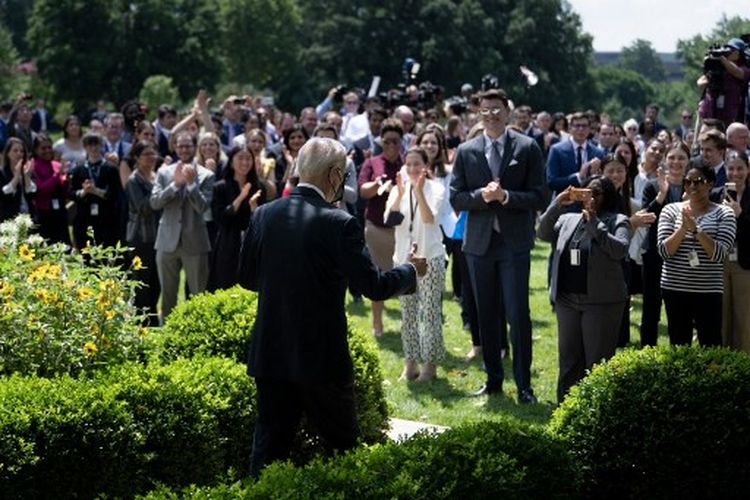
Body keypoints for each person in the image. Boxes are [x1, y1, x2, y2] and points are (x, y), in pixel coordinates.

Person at [239, 137, 425, 477]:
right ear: (336, 174)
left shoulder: (264, 214)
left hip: (272, 354)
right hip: (321, 359)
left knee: (267, 456)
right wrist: (411, 271)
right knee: (344, 456)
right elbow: (373, 286)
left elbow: (247, 279)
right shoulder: (339, 223)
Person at [449, 88, 545, 403]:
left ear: (507, 112)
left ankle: (524, 385)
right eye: (485, 110)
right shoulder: (466, 150)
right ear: (479, 114)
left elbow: (540, 196)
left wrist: (506, 197)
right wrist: (482, 197)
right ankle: (493, 380)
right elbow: (457, 197)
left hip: (513, 242)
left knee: (518, 313)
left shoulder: (527, 147)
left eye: (496, 109)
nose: (491, 115)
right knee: (486, 314)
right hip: (479, 243)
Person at [538, 177, 630, 403]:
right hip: (567, 300)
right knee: (569, 359)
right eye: (586, 192)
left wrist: (595, 224)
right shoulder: (568, 219)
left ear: (606, 196)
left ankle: (596, 412)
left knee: (596, 362)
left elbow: (620, 250)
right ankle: (565, 410)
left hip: (601, 302)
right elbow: (542, 232)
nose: (590, 197)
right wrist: (558, 203)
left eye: (596, 193)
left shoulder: (618, 220)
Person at [384, 147, 446, 381]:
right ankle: (410, 363)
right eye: (408, 164)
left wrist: (419, 191)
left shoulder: (436, 188)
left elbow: (430, 219)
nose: (411, 169)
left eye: (416, 164)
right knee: (408, 314)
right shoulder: (398, 189)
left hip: (430, 257)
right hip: (403, 260)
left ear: (425, 167)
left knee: (430, 313)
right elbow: (389, 220)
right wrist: (400, 194)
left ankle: (430, 365)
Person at [657, 163, 736, 346]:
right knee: (678, 345)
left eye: (698, 181)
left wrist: (696, 230)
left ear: (710, 184)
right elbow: (664, 252)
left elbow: (718, 254)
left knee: (710, 345)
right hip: (674, 288)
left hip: (708, 290)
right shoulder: (670, 210)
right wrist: (683, 229)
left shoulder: (724, 213)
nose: (692, 186)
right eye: (688, 182)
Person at [150, 131, 215, 320]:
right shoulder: (163, 172)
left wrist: (191, 186)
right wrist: (175, 186)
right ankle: (167, 335)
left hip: (195, 240)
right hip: (167, 241)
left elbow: (203, 207)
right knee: (168, 295)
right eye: (180, 146)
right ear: (175, 147)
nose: (184, 149)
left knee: (198, 294)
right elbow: (154, 203)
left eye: (188, 146)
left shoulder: (206, 175)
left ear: (194, 148)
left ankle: (197, 333)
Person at [358, 118, 405, 337]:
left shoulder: (407, 164)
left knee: (404, 275)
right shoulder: (372, 163)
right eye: (387, 142)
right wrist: (377, 184)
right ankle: (377, 322)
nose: (391, 146)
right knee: (378, 275)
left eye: (395, 141)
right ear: (381, 142)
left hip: (403, 229)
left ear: (401, 142)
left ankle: (408, 320)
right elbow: (363, 191)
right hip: (376, 228)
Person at [639, 141, 689, 346]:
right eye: (672, 157)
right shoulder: (652, 185)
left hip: (684, 255)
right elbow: (646, 217)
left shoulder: (694, 186)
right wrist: (661, 196)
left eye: (681, 158)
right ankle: (647, 354)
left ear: (688, 161)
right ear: (665, 160)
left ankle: (680, 352)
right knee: (651, 308)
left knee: (680, 309)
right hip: (654, 254)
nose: (676, 162)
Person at [208, 147, 265, 291]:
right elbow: (221, 219)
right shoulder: (220, 187)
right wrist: (240, 198)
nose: (245, 162)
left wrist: (253, 208)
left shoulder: (258, 187)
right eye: (240, 158)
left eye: (248, 158)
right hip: (228, 242)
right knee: (225, 284)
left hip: (251, 242)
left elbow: (262, 221)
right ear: (232, 163)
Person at [714, 150, 750, 352]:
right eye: (731, 168)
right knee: (721, 315)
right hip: (720, 262)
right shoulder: (716, 195)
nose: (735, 173)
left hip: (745, 263)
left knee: (743, 317)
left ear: (748, 169)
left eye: (740, 168)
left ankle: (743, 365)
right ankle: (721, 361)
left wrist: (740, 215)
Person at [125, 141, 162, 326]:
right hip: (141, 238)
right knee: (142, 282)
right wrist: (160, 192)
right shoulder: (134, 180)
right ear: (137, 158)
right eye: (146, 154)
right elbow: (142, 207)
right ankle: (142, 322)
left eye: (152, 154)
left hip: (159, 237)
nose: (150, 158)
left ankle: (153, 318)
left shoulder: (157, 177)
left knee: (156, 282)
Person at [68, 133, 122, 251]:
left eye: (96, 144)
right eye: (89, 145)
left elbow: (115, 194)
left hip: (106, 220)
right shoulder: (78, 170)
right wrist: (84, 191)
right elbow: (71, 193)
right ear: (85, 147)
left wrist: (96, 191)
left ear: (101, 145)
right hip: (84, 220)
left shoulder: (111, 169)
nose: (93, 148)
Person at [546, 111, 605, 195]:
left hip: (589, 204)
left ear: (589, 129)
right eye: (577, 126)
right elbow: (552, 182)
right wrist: (578, 177)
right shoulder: (557, 150)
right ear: (570, 128)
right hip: (565, 204)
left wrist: (596, 174)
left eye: (584, 126)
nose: (581, 129)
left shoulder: (598, 153)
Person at [698, 38, 750, 126]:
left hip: (730, 113)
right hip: (710, 111)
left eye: (733, 49)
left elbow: (737, 72)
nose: (730, 51)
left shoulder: (745, 68)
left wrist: (722, 59)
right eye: (728, 48)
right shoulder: (718, 65)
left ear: (739, 53)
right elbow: (700, 82)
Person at [30, 134, 70, 245]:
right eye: (43, 148)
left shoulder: (56, 164)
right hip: (44, 213)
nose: (47, 150)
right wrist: (57, 176)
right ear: (36, 150)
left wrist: (67, 180)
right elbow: (41, 189)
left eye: (49, 147)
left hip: (59, 211)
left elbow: (65, 190)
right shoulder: (33, 166)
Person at [0, 137, 35, 221]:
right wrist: (16, 177)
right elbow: (4, 194)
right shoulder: (2, 173)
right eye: (15, 151)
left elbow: (32, 194)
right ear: (8, 153)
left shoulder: (27, 170)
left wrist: (26, 176)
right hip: (9, 219)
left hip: (29, 217)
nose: (19, 153)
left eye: (22, 151)